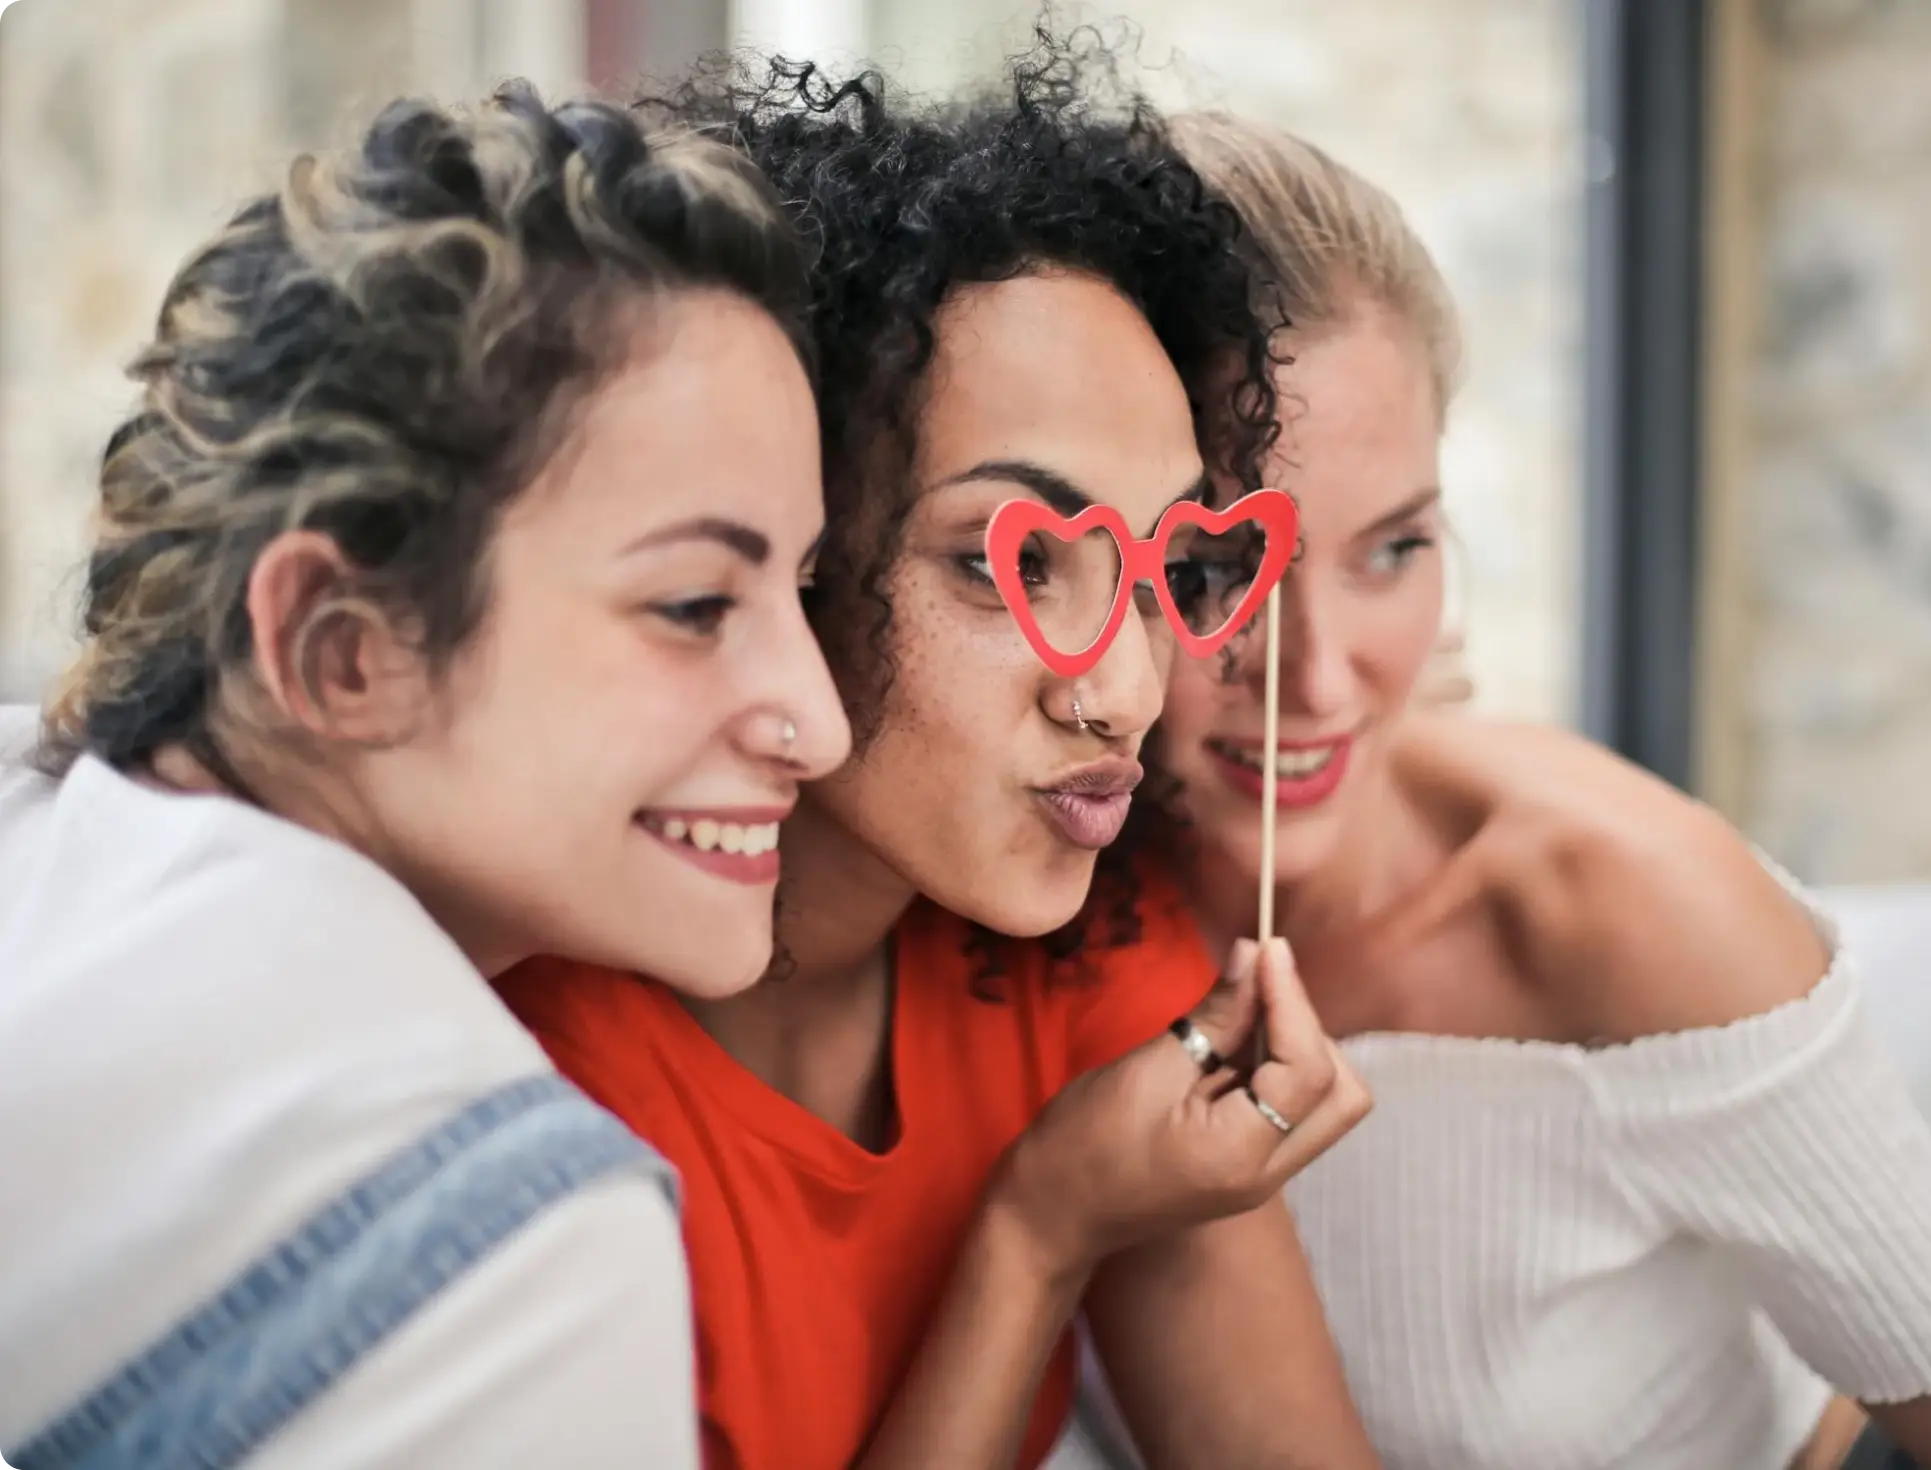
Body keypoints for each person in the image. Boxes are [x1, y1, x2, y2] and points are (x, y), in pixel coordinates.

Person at [1065, 112, 1931, 1470]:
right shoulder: (1039, 908)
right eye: (1210, 570)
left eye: (1392, 547)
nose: (1318, 681)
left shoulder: (1621, 898)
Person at [496, 40, 1378, 1470]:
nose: (1125, 693)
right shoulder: (535, 1070)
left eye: (1164, 560)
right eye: (1002, 560)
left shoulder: (1077, 946)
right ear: (791, 543)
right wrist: (1033, 1237)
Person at [0, 85, 849, 1467]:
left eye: (803, 591)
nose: (818, 725)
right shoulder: (520, 1255)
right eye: (695, 604)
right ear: (341, 651)